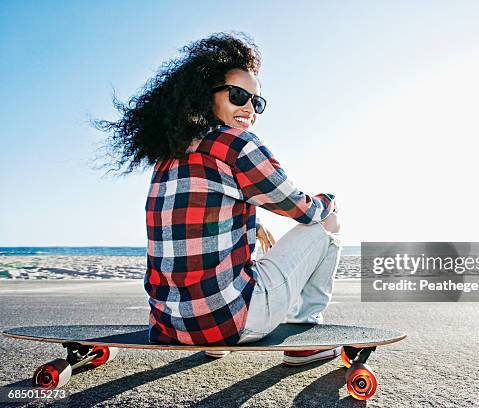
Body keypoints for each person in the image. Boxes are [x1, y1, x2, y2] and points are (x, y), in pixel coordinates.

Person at [94, 32, 342, 366]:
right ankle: (306, 336)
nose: (249, 108)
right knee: (323, 228)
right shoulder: (237, 145)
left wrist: (253, 223)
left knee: (236, 256)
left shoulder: (168, 157)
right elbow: (302, 208)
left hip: (168, 326)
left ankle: (213, 343)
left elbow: (198, 213)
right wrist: (330, 204)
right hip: (230, 322)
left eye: (257, 102)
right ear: (204, 96)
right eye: (239, 95)